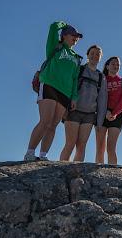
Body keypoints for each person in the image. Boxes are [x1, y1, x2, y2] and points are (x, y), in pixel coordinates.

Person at [24, 21, 83, 161]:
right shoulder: (56, 47)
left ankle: (43, 156)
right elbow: (52, 27)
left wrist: (74, 97)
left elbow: (75, 79)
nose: (76, 38)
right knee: (45, 121)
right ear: (64, 36)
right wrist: (64, 24)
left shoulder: (76, 58)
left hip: (65, 93)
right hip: (50, 85)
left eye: (77, 36)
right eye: (73, 35)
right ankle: (30, 153)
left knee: (53, 125)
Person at [59, 45, 107, 162]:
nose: (94, 56)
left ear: (100, 58)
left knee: (81, 145)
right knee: (70, 143)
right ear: (87, 55)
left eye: (98, 54)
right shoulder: (79, 69)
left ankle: (76, 172)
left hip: (90, 115)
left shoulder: (101, 77)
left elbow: (102, 100)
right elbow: (69, 88)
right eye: (92, 53)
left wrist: (99, 122)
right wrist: (64, 108)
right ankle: (61, 171)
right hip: (73, 111)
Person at [95, 56, 122, 164]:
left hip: (117, 115)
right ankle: (97, 174)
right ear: (107, 66)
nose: (115, 66)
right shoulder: (100, 80)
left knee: (111, 148)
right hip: (101, 113)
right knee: (100, 147)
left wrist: (114, 113)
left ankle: (112, 173)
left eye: (118, 65)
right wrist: (105, 111)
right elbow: (96, 97)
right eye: (113, 64)